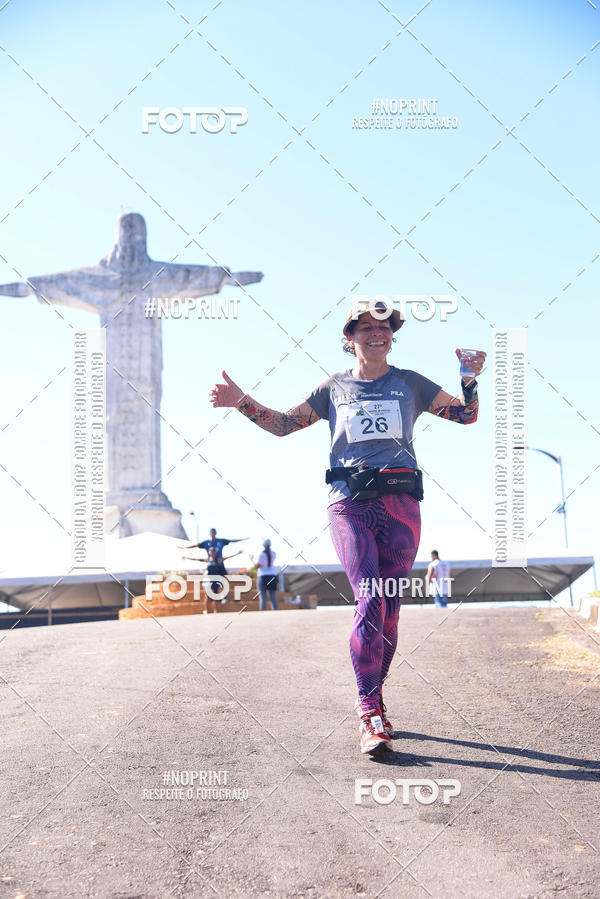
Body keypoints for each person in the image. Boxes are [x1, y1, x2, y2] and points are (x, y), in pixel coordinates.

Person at [209, 299, 485, 755]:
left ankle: (375, 693)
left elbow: (465, 415)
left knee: (390, 611)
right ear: (349, 337)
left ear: (393, 337)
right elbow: (282, 425)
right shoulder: (332, 388)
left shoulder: (410, 384)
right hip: (350, 504)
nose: (377, 334)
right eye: (366, 328)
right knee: (371, 596)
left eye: (385, 328)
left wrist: (469, 381)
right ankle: (369, 709)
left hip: (401, 504)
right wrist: (242, 402)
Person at [250, 539, 279, 611]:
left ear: (263, 545)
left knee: (263, 597)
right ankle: (275, 611)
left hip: (263, 576)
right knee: (273, 597)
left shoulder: (262, 554)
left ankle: (263, 613)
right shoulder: (274, 553)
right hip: (272, 575)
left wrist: (251, 559)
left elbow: (257, 566)